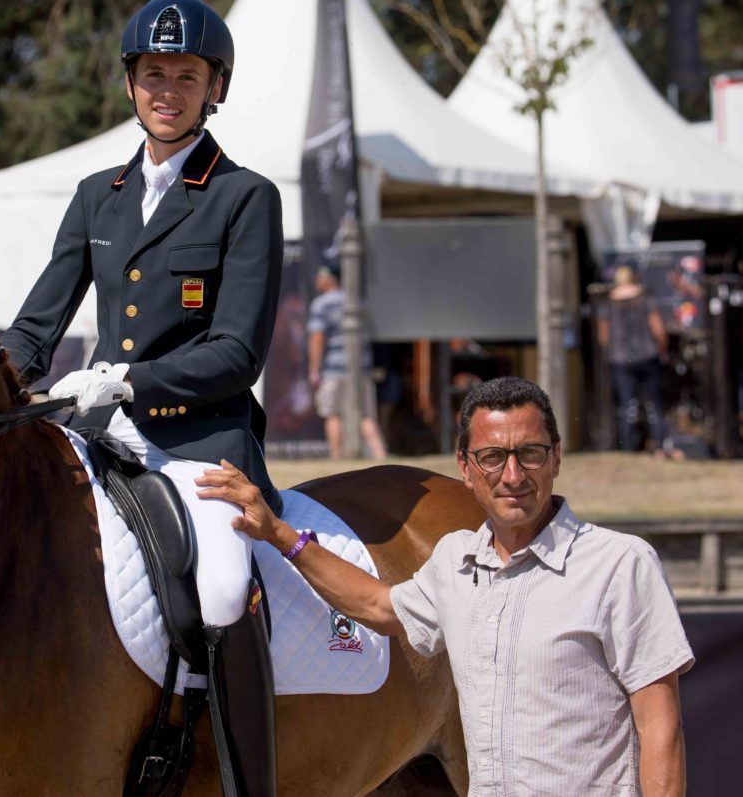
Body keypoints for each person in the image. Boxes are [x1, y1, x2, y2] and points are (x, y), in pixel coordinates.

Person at [0, 0, 283, 796]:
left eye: (185, 76)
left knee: (226, 585)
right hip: (103, 438)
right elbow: (35, 330)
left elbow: (238, 352)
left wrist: (129, 378)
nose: (167, 89)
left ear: (213, 87)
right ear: (130, 84)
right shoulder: (99, 193)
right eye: (152, 73)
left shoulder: (244, 197)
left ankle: (246, 783)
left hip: (202, 442)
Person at [202, 376, 693, 795]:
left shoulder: (623, 564)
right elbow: (376, 605)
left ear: (557, 457)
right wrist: (279, 534)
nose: (513, 475)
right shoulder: (455, 560)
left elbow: (660, 728)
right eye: (493, 458)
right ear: (465, 468)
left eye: (531, 454)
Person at [307, 265, 386, 459]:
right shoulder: (359, 302)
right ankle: (380, 454)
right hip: (361, 367)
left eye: (319, 276)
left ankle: (336, 457)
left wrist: (314, 369)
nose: (317, 280)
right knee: (366, 415)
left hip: (334, 368)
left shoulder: (321, 304)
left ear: (327, 279)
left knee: (333, 414)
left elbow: (317, 338)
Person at [597, 265, 669, 455]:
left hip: (620, 358)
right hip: (648, 354)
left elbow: (603, 337)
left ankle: (629, 447)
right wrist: (663, 349)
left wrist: (610, 353)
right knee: (654, 404)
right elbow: (659, 329)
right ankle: (660, 445)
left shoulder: (607, 302)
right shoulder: (645, 297)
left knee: (628, 405)